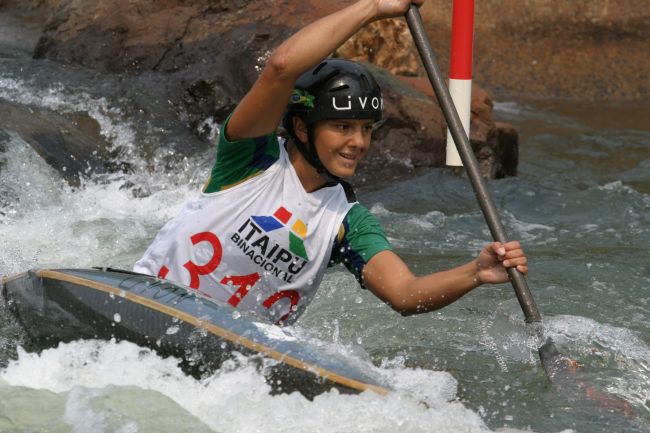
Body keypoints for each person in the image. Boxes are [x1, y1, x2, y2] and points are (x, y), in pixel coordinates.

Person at [134, 0, 528, 325]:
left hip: (238, 352)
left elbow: (406, 295)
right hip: (150, 303)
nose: (358, 142)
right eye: (341, 126)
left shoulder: (348, 223)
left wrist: (475, 272)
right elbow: (282, 67)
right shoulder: (251, 157)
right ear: (303, 128)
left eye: (366, 129)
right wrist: (374, 7)